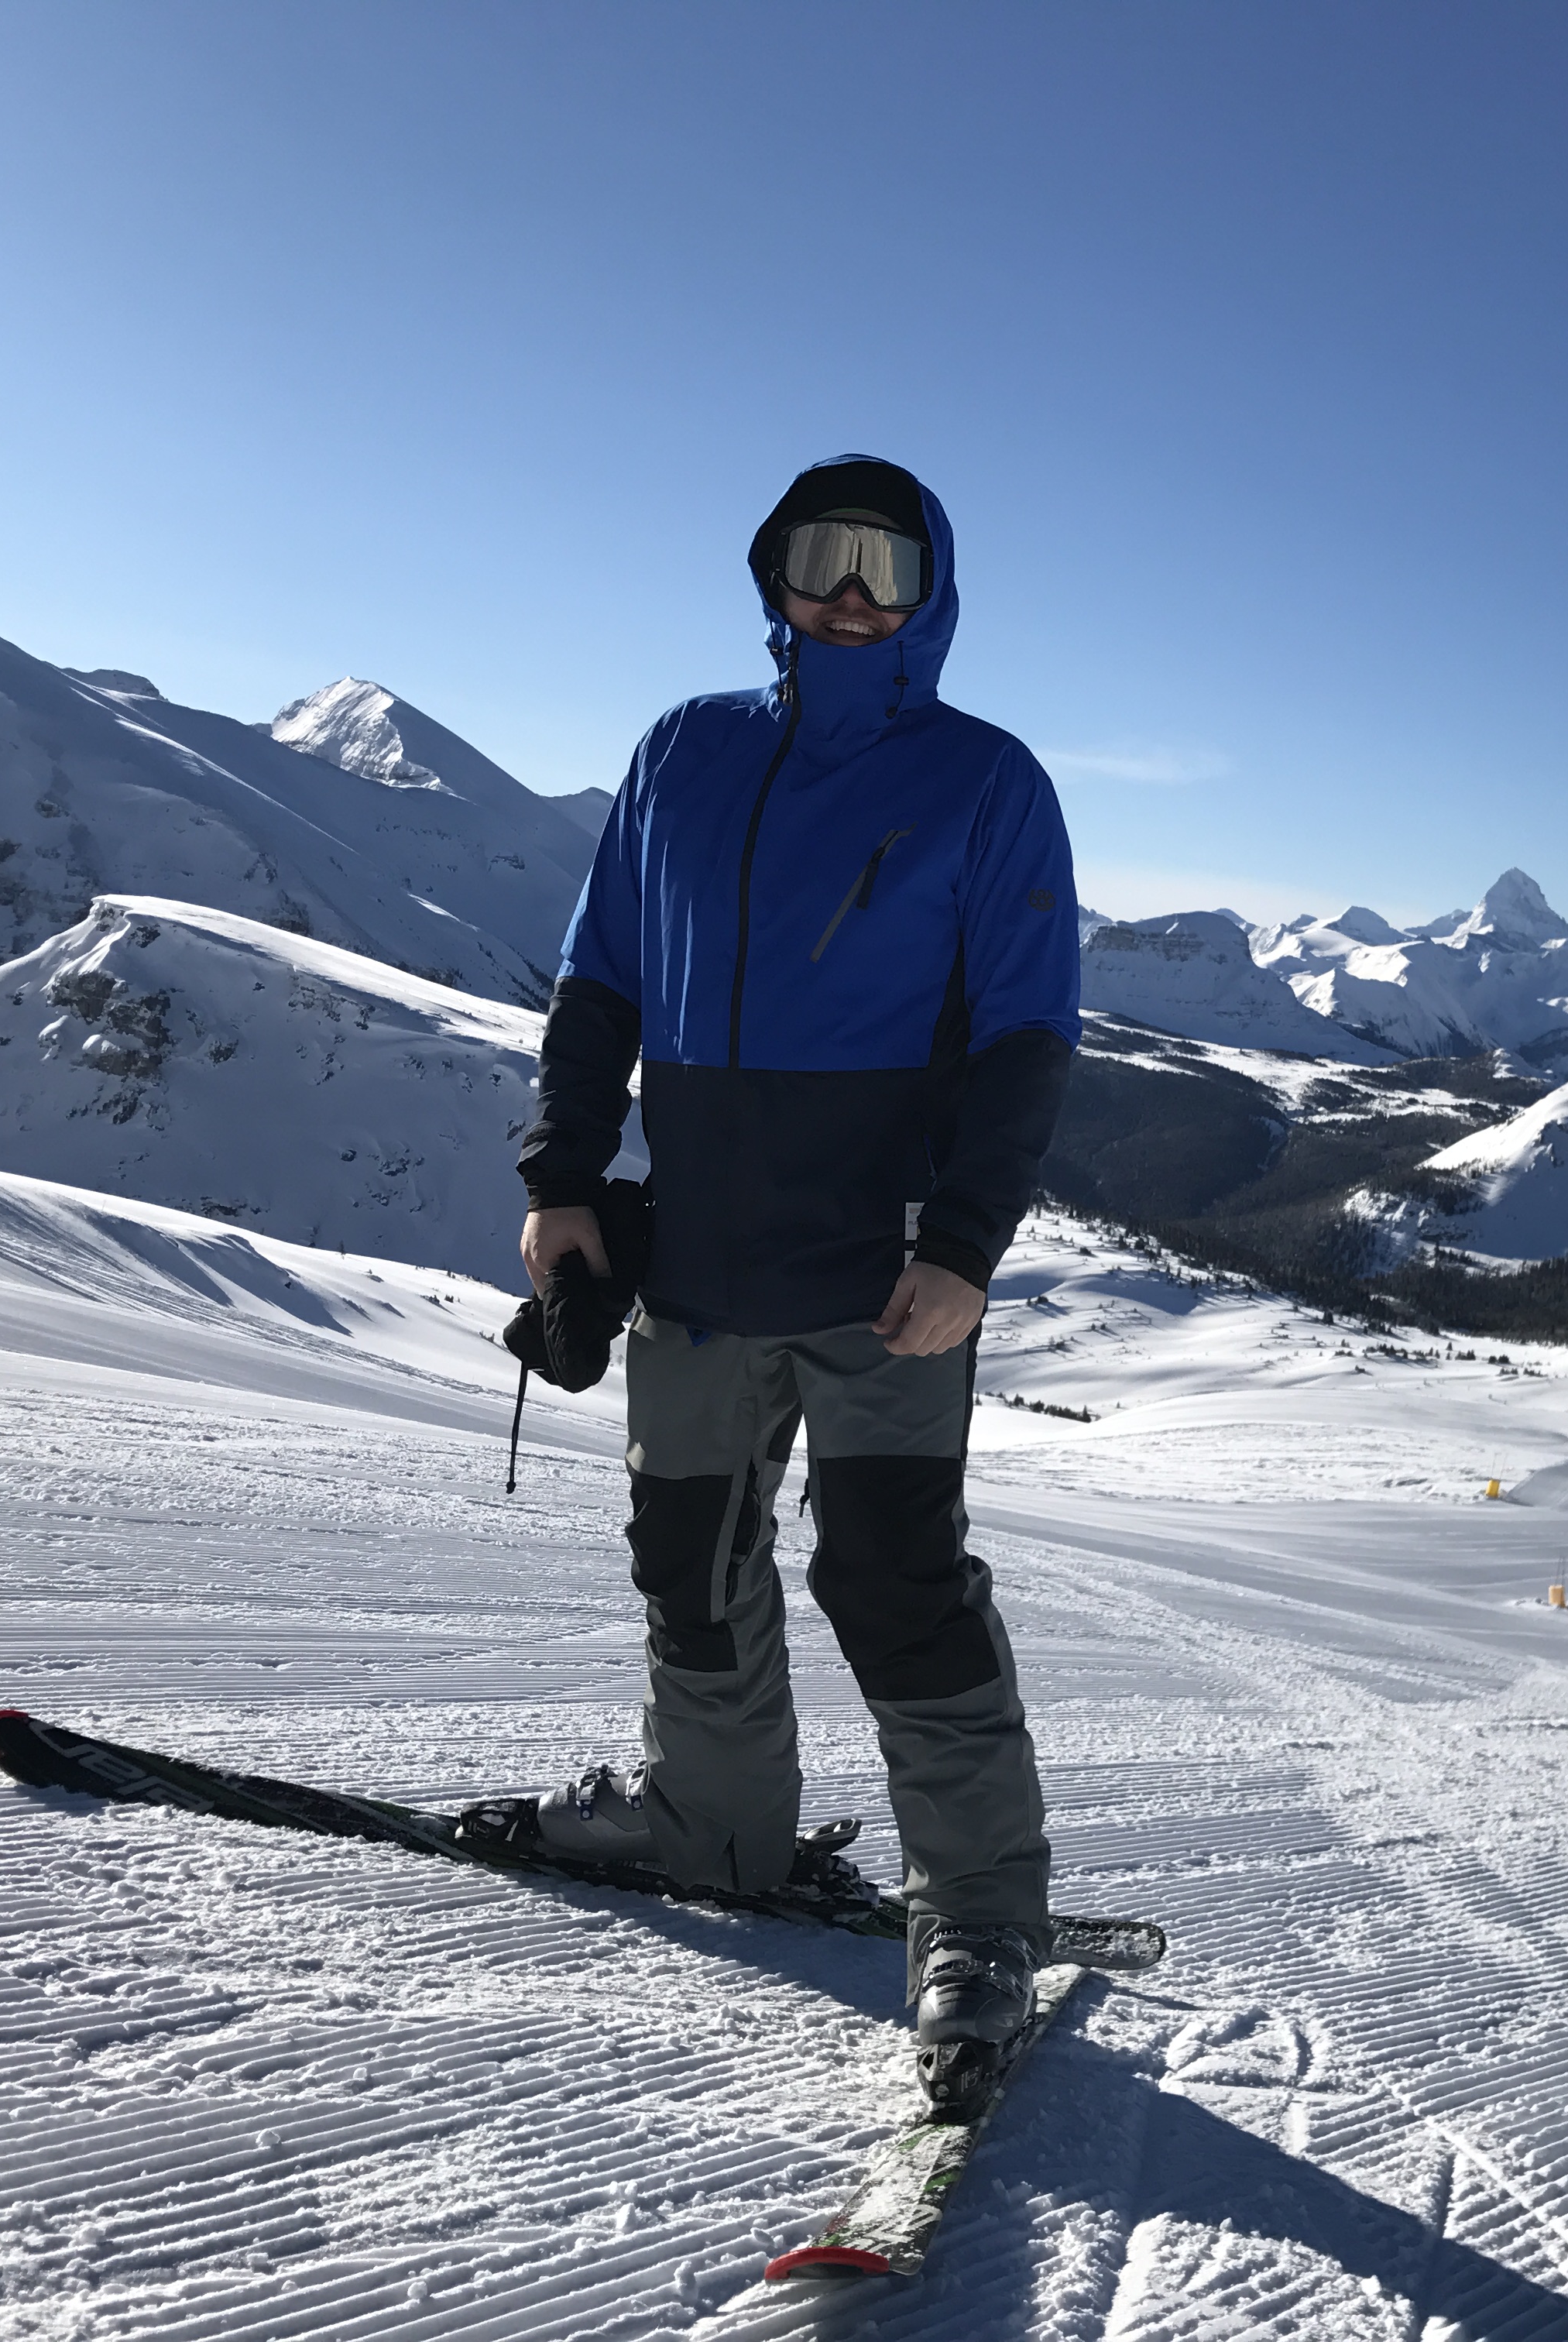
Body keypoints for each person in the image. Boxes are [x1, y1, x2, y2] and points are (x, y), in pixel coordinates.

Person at [514, 455, 1079, 2109]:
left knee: (894, 1583)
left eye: (884, 568)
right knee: (686, 1560)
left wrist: (964, 1244)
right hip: (694, 1262)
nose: (848, 592)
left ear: (930, 595)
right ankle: (721, 1831)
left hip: (881, 1281)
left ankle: (976, 1917)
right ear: (773, 572)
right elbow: (601, 981)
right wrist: (560, 1187)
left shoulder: (986, 782)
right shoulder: (684, 752)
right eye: (822, 558)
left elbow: (1029, 1040)